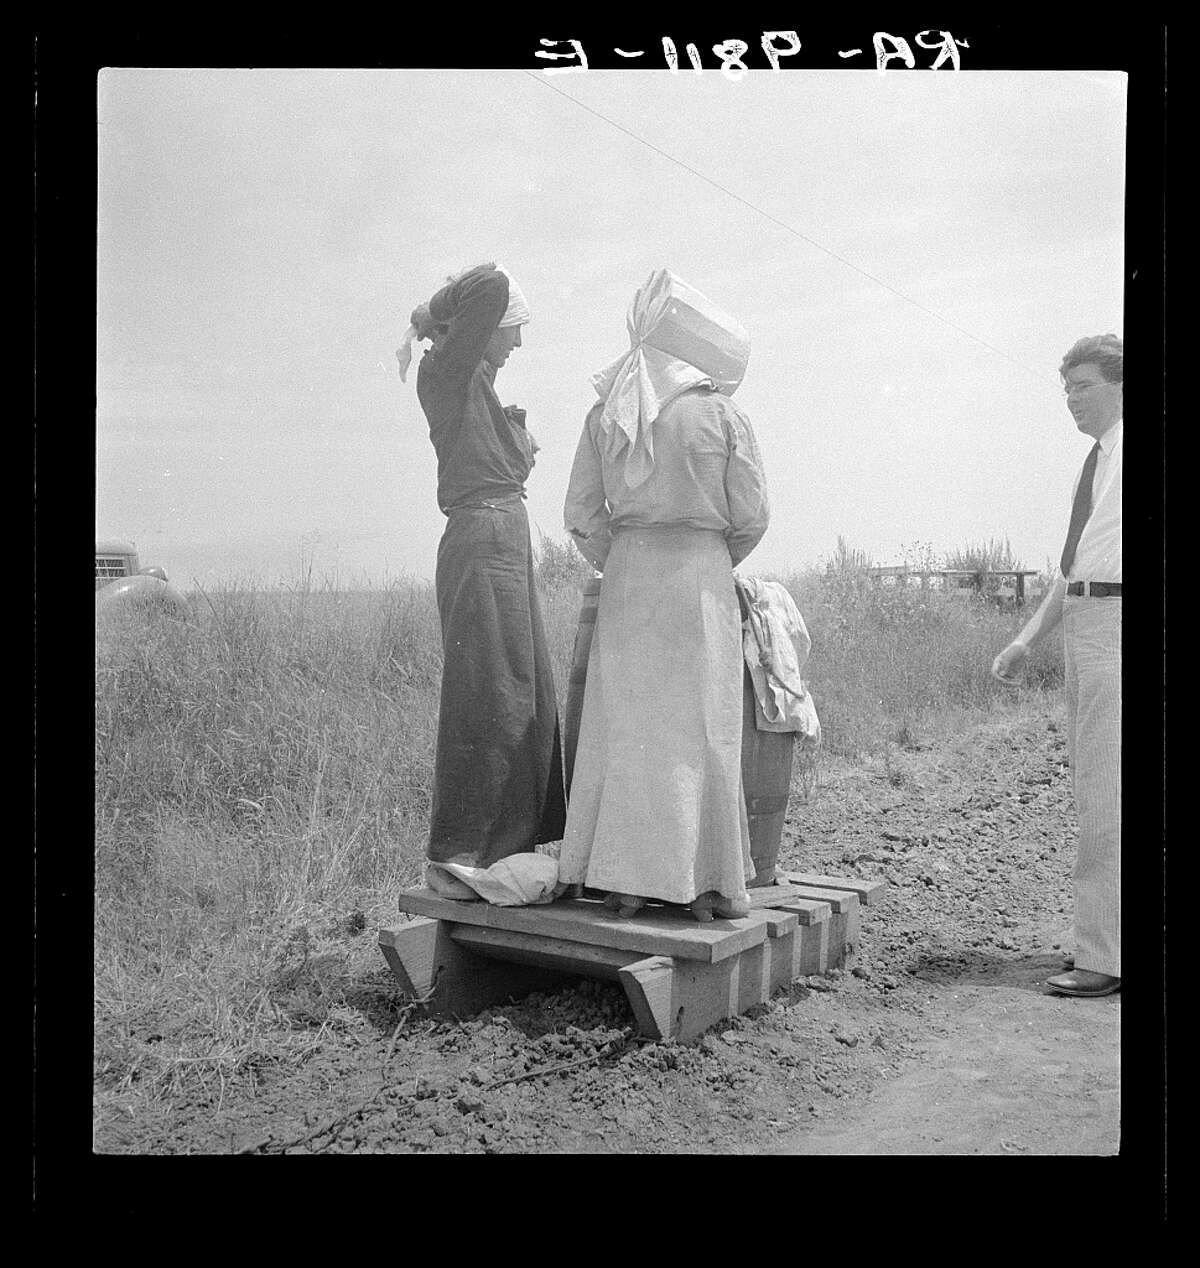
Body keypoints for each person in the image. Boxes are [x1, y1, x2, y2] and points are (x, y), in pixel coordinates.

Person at [559, 268, 770, 921]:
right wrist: (706, 557)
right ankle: (710, 884)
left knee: (630, 729)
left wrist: (624, 557)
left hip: (630, 577)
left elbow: (581, 515)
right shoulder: (721, 413)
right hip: (698, 579)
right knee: (701, 730)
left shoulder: (607, 411)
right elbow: (753, 515)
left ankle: (623, 881)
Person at [397, 262, 566, 896]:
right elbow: (491, 285)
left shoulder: (476, 383)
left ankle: (501, 849)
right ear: (484, 326)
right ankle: (458, 851)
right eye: (512, 329)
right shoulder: (446, 369)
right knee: (485, 690)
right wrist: (429, 308)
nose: (517, 341)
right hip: (481, 539)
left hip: (500, 539)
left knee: (521, 691)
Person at [992, 333, 1122, 997]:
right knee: (1099, 791)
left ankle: (1104, 959)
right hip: (1089, 620)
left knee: (1106, 795)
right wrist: (1024, 641)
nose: (1072, 400)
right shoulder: (1097, 461)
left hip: (1119, 625)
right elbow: (1075, 574)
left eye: (1085, 386)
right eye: (1066, 388)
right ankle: (1108, 943)